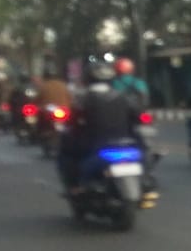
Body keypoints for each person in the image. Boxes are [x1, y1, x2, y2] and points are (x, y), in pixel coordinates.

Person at [57, 61, 143, 195]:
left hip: (95, 146)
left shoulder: (83, 98)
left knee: (66, 152)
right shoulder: (124, 97)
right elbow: (139, 117)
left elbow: (71, 123)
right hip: (126, 144)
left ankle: (74, 186)